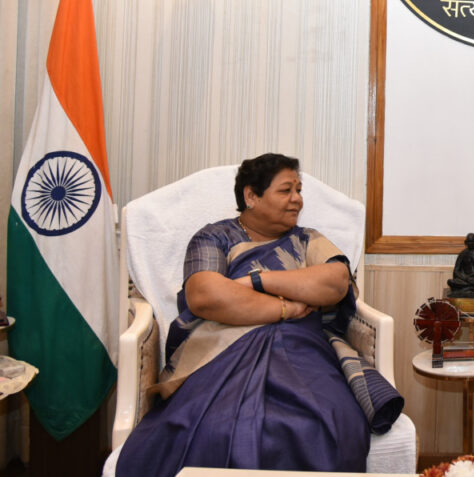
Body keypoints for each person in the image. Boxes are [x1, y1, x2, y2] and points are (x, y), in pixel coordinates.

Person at [116, 154, 389, 475]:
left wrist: (257, 280)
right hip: (221, 354)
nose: (297, 199)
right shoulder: (215, 237)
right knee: (214, 427)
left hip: (303, 353)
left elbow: (335, 282)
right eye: (286, 190)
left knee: (328, 422)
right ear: (251, 196)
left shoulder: (307, 239)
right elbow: (204, 296)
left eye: (299, 190)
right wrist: (286, 307)